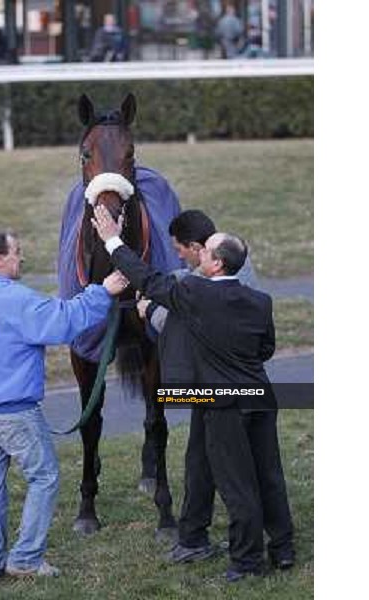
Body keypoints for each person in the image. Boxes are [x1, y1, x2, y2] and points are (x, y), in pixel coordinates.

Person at [91, 204, 290, 582]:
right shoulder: (259, 300)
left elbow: (146, 280)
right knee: (262, 472)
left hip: (220, 398)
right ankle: (280, 548)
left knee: (236, 482)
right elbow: (264, 349)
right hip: (255, 394)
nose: (187, 255)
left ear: (213, 261)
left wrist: (112, 240)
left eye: (200, 251)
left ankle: (247, 562)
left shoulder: (193, 291)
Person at [0, 230, 128, 582]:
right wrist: (104, 291)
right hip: (15, 413)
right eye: (16, 252)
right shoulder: (17, 301)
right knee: (44, 476)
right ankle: (25, 558)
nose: (21, 258)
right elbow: (65, 321)